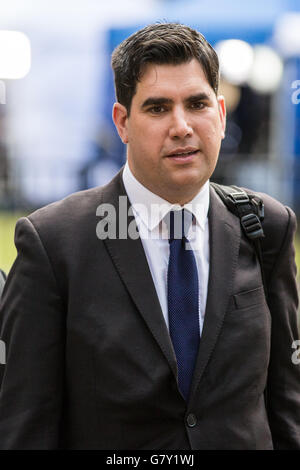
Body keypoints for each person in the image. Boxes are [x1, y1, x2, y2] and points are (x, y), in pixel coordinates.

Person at [0, 23, 299, 450]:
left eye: (196, 103)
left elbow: (287, 404)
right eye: (158, 108)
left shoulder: (267, 226)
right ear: (122, 122)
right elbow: (25, 424)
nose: (181, 126)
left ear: (220, 113)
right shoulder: (54, 243)